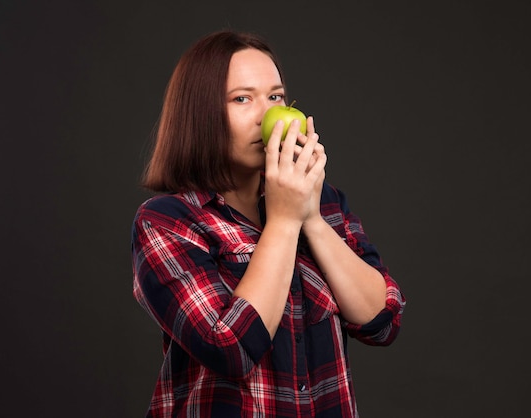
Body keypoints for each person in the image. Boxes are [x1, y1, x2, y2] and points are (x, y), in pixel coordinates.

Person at [131, 30, 405, 418]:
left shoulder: (323, 202)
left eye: (275, 97)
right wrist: (284, 220)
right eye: (242, 98)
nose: (267, 115)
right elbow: (231, 348)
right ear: (200, 112)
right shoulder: (168, 221)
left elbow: (382, 321)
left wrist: (310, 217)